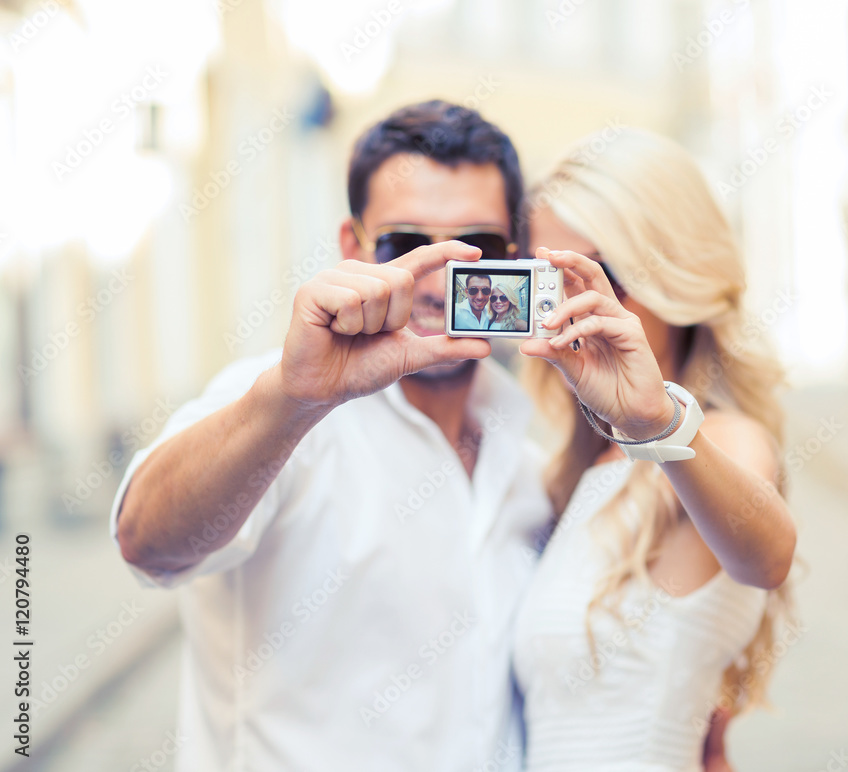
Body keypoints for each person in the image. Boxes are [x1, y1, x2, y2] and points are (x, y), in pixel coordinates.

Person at [111, 100, 734, 771]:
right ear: (353, 249)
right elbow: (148, 541)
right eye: (407, 246)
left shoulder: (526, 462)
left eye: (478, 247)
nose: (440, 278)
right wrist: (290, 401)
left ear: (517, 261)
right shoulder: (277, 405)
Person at [513, 128, 797, 771]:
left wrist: (659, 424)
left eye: (600, 276)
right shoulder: (580, 466)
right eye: (548, 278)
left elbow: (767, 555)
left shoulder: (717, 441)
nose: (573, 305)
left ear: (672, 274)